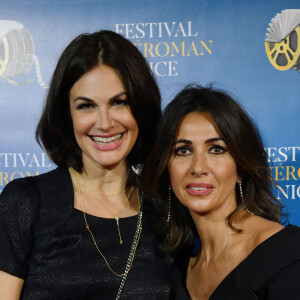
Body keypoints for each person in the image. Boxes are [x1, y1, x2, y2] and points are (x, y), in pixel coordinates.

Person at [0, 30, 185, 300]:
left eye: (120, 103)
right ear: (67, 116)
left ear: (142, 108)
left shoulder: (165, 212)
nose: (105, 122)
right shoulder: (27, 203)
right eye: (86, 106)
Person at [142, 85, 300, 299]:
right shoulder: (177, 269)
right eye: (183, 150)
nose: (198, 167)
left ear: (241, 168)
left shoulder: (289, 255)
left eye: (217, 149)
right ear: (166, 168)